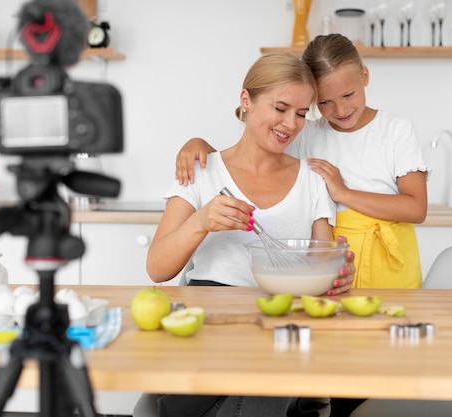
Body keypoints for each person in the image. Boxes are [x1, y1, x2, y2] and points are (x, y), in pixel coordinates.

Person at [144, 52, 355, 417]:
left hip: (278, 325)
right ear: (246, 101)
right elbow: (157, 268)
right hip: (207, 325)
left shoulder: (312, 179)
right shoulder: (202, 170)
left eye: (302, 113)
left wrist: (338, 272)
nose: (291, 124)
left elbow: (321, 264)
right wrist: (201, 221)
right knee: (269, 376)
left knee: (270, 370)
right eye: (281, 108)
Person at [175, 33, 429, 291]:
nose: (340, 110)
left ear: (365, 77)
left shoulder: (395, 129)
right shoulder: (305, 131)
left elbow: (417, 208)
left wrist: (344, 193)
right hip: (332, 261)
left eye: (348, 95)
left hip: (387, 264)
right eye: (325, 102)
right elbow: (251, 154)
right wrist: (201, 146)